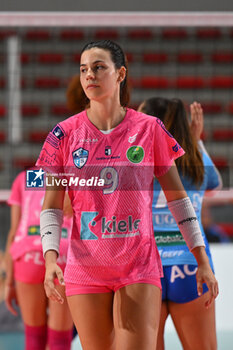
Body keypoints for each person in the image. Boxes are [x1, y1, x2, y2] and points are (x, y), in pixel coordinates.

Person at [36, 40, 218, 350]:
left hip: (138, 264)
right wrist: (50, 258)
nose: (89, 76)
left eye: (98, 67)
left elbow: (179, 200)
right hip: (85, 266)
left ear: (121, 74)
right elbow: (51, 206)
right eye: (83, 70)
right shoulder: (62, 134)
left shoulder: (150, 129)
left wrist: (202, 257)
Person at [138, 97, 221, 350]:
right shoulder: (195, 162)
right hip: (191, 264)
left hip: (146, 267)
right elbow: (214, 185)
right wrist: (196, 142)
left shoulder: (136, 160)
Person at [4, 170, 74, 350]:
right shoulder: (75, 175)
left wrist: (9, 282)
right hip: (62, 251)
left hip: (28, 254)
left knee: (34, 336)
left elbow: (14, 231)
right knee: (60, 339)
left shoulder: (24, 178)